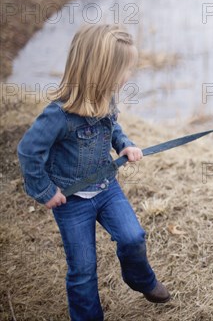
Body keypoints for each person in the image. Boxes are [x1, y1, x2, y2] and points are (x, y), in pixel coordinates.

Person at [17, 24, 170, 321]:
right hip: (72, 200)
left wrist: (125, 145)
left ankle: (142, 280)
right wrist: (45, 190)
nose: (129, 76)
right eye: (125, 69)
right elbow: (28, 151)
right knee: (83, 269)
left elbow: (113, 127)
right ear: (102, 71)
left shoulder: (107, 99)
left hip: (106, 188)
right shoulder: (58, 115)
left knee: (133, 237)